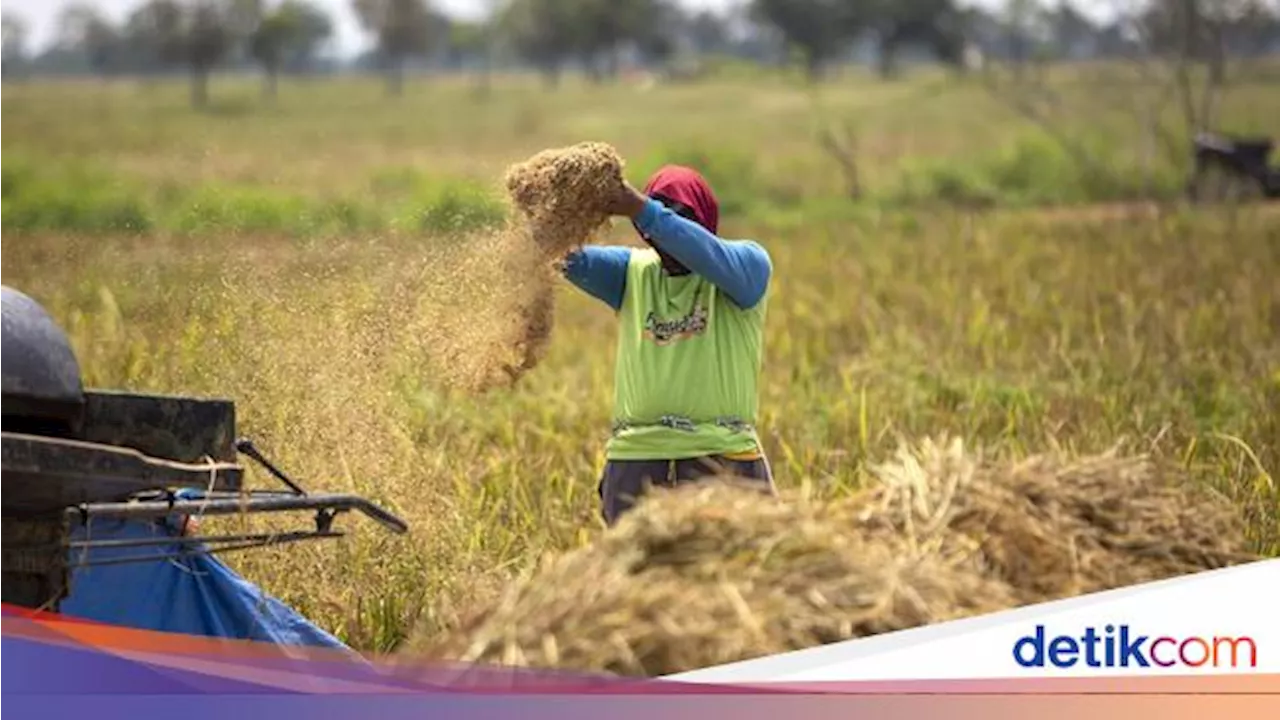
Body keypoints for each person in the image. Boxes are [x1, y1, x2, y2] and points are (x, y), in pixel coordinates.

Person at [560, 164, 776, 526]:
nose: (666, 234)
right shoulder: (632, 273)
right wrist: (556, 206)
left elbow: (692, 245)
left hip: (721, 459)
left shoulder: (746, 268)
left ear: (705, 220)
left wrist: (642, 209)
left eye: (682, 218)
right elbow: (564, 255)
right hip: (636, 461)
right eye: (658, 221)